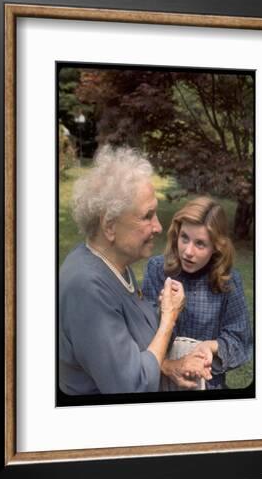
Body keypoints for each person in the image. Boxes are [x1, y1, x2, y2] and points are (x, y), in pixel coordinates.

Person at [59, 146, 210, 395]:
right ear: (109, 225)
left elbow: (127, 344)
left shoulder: (116, 265)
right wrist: (169, 318)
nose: (159, 227)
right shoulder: (86, 287)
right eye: (147, 216)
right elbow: (132, 385)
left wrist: (167, 365)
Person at [142, 196, 253, 390]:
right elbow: (141, 335)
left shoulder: (227, 281)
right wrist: (164, 312)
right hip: (161, 380)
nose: (188, 251)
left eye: (200, 244)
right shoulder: (158, 270)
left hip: (206, 384)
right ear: (177, 233)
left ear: (216, 247)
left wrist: (211, 346)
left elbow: (240, 341)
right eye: (184, 238)